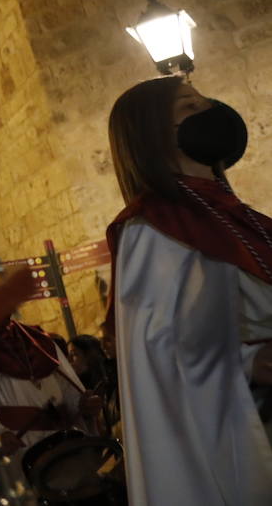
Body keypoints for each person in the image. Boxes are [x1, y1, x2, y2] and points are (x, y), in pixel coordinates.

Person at [106, 77, 272, 504]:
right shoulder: (153, 229)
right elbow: (164, 353)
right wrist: (250, 360)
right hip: (253, 426)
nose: (212, 111)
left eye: (206, 102)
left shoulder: (246, 219)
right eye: (190, 108)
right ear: (155, 134)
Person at [0, 320, 98, 466]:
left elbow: (67, 394)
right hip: (21, 458)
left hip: (65, 451)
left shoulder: (38, 340)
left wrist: (82, 406)